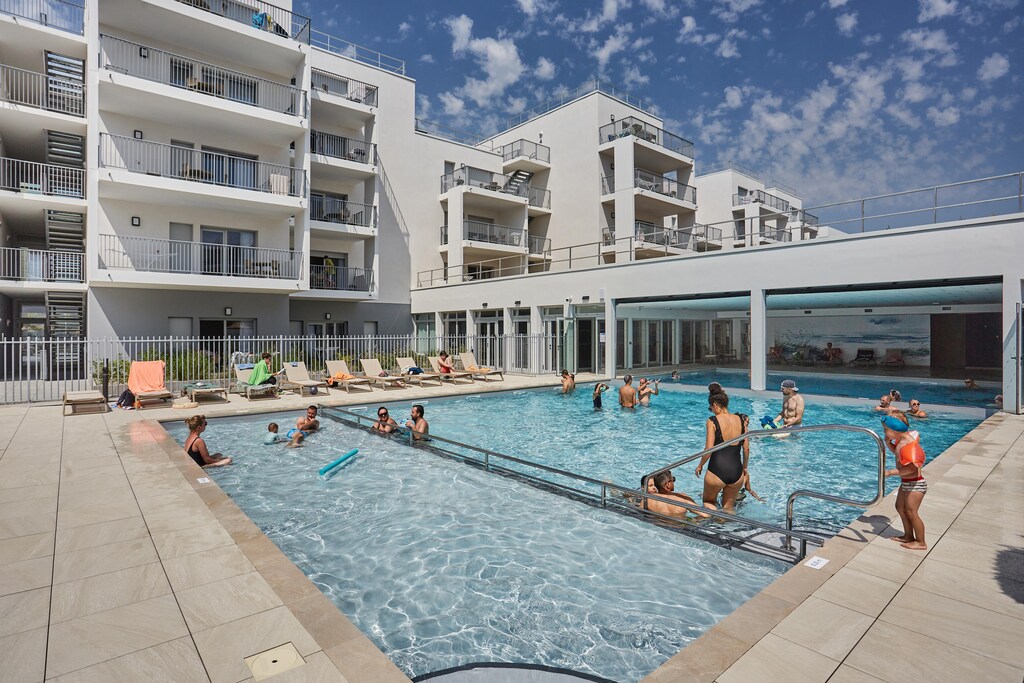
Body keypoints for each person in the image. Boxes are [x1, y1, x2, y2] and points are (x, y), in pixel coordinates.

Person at [695, 391, 749, 512]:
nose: (712, 411)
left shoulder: (712, 421)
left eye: (711, 408)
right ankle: (729, 524)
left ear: (715, 405)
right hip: (736, 472)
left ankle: (710, 524)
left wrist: (700, 465)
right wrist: (744, 468)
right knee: (728, 508)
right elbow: (746, 448)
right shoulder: (741, 420)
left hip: (717, 470)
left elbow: (709, 448)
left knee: (708, 502)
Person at [882, 412, 928, 550]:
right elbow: (898, 454)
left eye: (886, 429)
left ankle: (921, 542)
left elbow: (911, 469)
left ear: (895, 429)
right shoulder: (901, 442)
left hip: (916, 484)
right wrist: (888, 444)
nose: (884, 432)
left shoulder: (909, 445)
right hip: (907, 483)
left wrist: (891, 472)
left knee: (911, 512)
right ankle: (908, 536)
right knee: (900, 508)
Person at [643, 470, 707, 519]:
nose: (673, 482)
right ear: (668, 484)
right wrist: (694, 520)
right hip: (678, 528)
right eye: (673, 479)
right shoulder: (682, 499)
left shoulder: (647, 499)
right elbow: (705, 515)